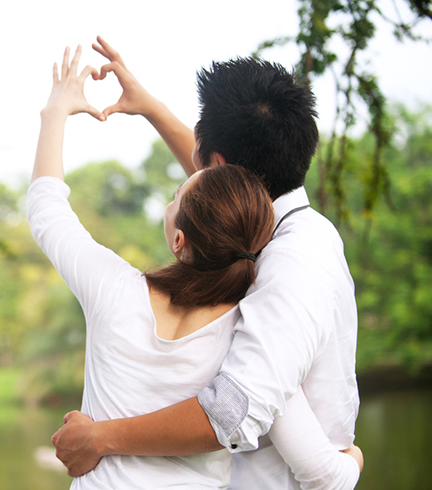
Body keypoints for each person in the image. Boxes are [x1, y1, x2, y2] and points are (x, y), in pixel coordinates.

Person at [30, 45, 362, 489]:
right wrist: (151, 109)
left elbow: (233, 412)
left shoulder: (291, 264)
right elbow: (216, 196)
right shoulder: (260, 256)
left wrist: (99, 438)